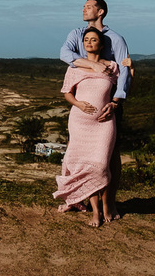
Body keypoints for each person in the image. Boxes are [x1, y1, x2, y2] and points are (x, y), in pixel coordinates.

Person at [59, 0, 131, 219]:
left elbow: (125, 70)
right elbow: (65, 55)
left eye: (88, 6)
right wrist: (92, 64)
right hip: (82, 106)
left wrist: (116, 102)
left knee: (110, 155)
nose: (83, 9)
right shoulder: (75, 34)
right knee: (75, 153)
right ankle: (75, 198)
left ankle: (109, 203)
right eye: (83, 6)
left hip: (108, 104)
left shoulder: (116, 39)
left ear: (100, 12)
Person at [53, 27, 120, 227]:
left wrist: (131, 69)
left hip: (104, 124)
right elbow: (67, 93)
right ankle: (96, 212)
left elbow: (124, 87)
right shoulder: (74, 68)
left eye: (93, 39)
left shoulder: (112, 67)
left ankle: (105, 205)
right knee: (81, 165)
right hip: (80, 122)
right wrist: (79, 104)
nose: (89, 42)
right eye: (86, 40)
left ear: (102, 44)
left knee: (100, 166)